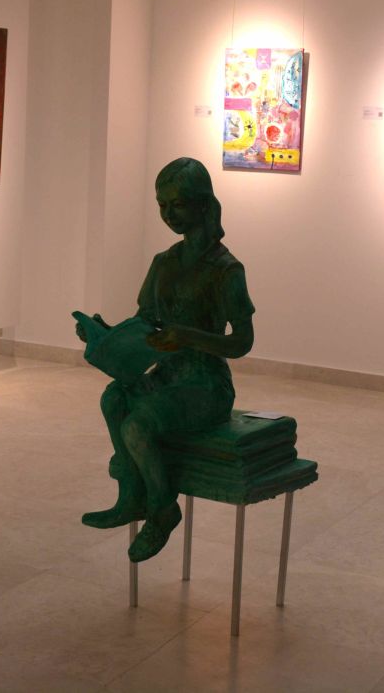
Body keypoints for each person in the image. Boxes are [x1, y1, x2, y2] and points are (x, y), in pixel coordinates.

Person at [75, 157, 255, 563]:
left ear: (203, 204)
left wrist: (188, 337)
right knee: (113, 398)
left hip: (206, 385)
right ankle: (131, 494)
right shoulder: (164, 263)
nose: (169, 214)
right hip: (169, 374)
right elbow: (145, 324)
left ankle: (162, 508)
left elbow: (242, 341)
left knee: (137, 424)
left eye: (178, 204)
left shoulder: (226, 269)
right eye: (162, 205)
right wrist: (106, 334)